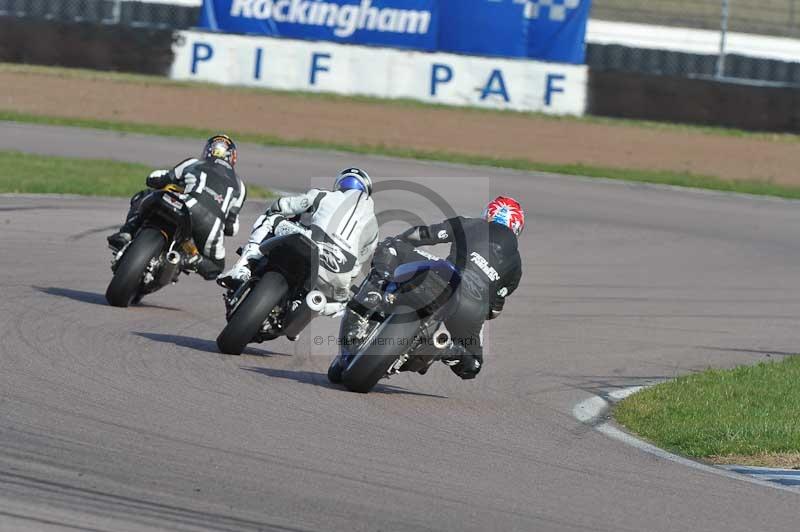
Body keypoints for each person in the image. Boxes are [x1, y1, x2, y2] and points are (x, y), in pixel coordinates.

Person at [374, 196, 524, 380]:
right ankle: (445, 348)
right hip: (472, 308)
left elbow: (426, 234)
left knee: (391, 246)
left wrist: (402, 240)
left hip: (444, 278)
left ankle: (378, 292)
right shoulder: (516, 266)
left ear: (489, 213)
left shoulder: (470, 223)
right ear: (517, 227)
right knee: (473, 365)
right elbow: (493, 310)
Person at [217, 168, 379, 317]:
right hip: (339, 273)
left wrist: (277, 208)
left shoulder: (324, 195)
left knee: (271, 218)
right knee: (341, 304)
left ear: (340, 184)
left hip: (312, 244)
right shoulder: (373, 226)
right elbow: (358, 265)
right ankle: (303, 309)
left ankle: (243, 268)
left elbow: (284, 205)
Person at [107, 134, 247, 280]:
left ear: (208, 150)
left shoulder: (193, 163)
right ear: (233, 158)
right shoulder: (241, 187)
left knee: (144, 195)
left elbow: (161, 178)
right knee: (215, 267)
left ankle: (126, 233)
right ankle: (188, 260)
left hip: (185, 204)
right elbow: (231, 227)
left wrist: (153, 180)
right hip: (211, 226)